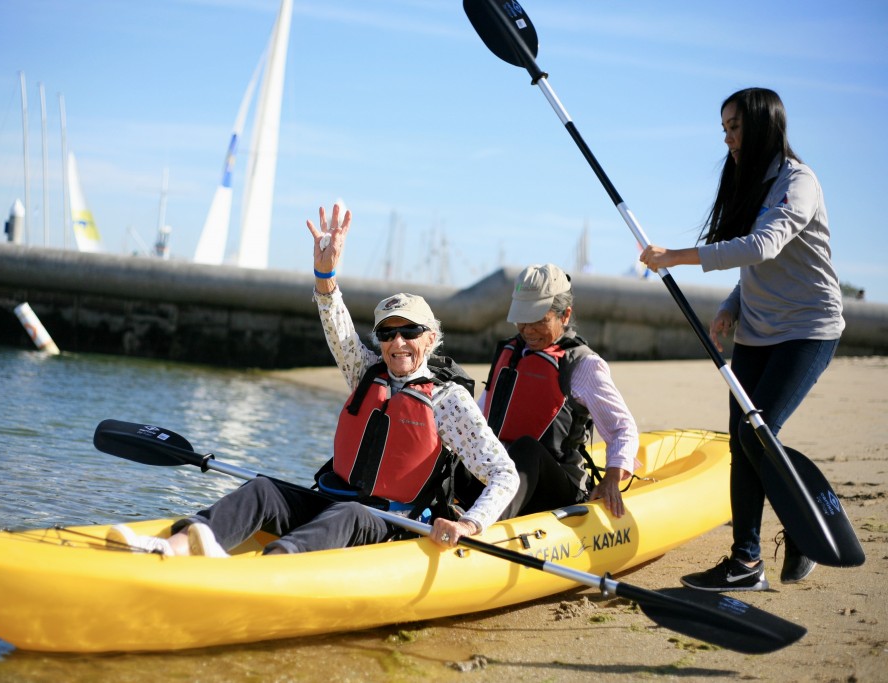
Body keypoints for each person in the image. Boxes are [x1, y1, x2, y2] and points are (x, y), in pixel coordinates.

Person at [107, 204, 519, 557]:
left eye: (409, 332)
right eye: (387, 334)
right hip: (332, 502)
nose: (398, 342)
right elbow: (336, 326)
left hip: (390, 524)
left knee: (352, 513)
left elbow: (504, 474)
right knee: (264, 489)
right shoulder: (365, 371)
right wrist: (326, 273)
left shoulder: (448, 400)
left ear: (430, 338)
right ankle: (175, 547)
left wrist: (469, 524)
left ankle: (274, 566)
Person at [639, 87, 844, 591]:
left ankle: (802, 529)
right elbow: (756, 270)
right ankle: (745, 561)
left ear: (763, 126)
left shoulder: (799, 183)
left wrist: (676, 256)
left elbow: (762, 247)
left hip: (807, 329)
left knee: (761, 431)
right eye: (724, 128)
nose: (728, 138)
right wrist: (732, 306)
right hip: (756, 330)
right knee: (743, 441)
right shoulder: (746, 180)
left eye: (735, 127)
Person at [459, 263, 639, 520]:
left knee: (526, 449)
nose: (528, 330)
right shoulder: (509, 354)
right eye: (521, 319)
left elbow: (623, 429)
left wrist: (612, 478)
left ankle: (478, 523)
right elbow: (478, 417)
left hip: (554, 486)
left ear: (565, 315)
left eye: (538, 321)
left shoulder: (584, 365)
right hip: (497, 477)